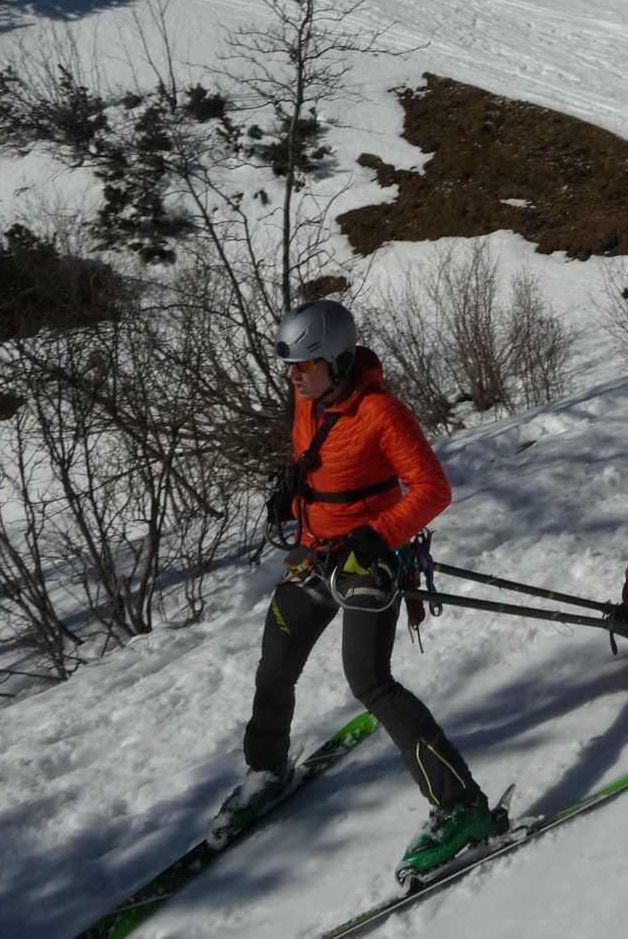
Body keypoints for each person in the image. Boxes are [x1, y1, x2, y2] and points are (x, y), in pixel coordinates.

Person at [215, 298, 494, 875]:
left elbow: (433, 490)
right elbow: (321, 465)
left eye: (303, 365)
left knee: (369, 680)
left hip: (370, 560)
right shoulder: (307, 400)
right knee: (276, 662)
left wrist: (376, 535)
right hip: (315, 554)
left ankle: (462, 805)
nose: (293, 377)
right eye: (289, 366)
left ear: (338, 362)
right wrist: (292, 496)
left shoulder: (384, 414)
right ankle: (267, 772)